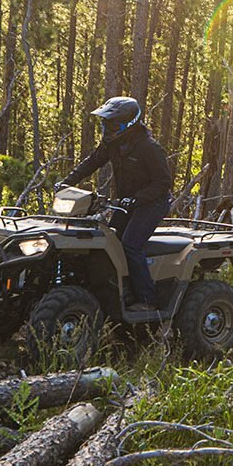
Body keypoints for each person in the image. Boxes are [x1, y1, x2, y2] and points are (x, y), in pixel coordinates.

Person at [57, 96, 172, 312]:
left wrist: (137, 199)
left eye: (112, 124)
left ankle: (148, 300)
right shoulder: (112, 144)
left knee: (130, 244)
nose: (107, 128)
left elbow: (163, 183)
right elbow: (91, 162)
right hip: (126, 203)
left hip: (153, 202)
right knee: (110, 241)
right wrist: (66, 183)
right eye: (105, 123)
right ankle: (119, 291)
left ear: (128, 124)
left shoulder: (149, 148)